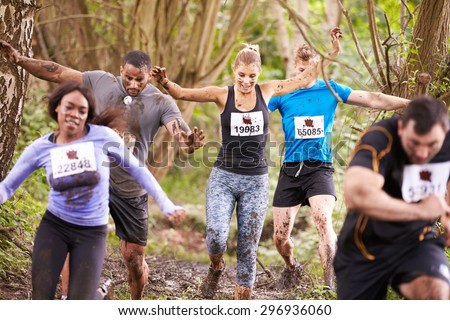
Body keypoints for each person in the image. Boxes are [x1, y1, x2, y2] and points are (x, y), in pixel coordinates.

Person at [0, 40, 204, 299]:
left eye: (139, 80)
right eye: (128, 77)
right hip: (91, 177)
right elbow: (57, 71)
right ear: (121, 70)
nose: (132, 84)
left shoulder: (161, 102)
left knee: (133, 256)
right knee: (69, 240)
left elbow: (180, 134)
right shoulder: (99, 81)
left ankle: (135, 301)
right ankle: (69, 299)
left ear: (149, 76)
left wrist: (189, 143)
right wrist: (20, 60)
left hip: (130, 187)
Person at [151, 42, 321, 300]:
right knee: (216, 237)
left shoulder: (267, 91)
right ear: (234, 72)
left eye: (252, 76)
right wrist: (165, 82)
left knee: (247, 246)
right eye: (242, 75)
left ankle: (243, 299)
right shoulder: (222, 95)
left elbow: (302, 79)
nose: (246, 81)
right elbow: (183, 93)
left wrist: (329, 54)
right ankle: (216, 267)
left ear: (259, 73)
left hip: (256, 181)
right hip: (224, 178)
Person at [268, 29, 411, 290]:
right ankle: (291, 267)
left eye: (309, 69)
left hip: (319, 168)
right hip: (290, 170)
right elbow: (254, 109)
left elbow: (371, 98)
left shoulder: (331, 90)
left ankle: (329, 284)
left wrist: (409, 103)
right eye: (299, 69)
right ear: (294, 68)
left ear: (318, 68)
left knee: (323, 220)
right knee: (280, 238)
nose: (304, 75)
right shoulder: (282, 93)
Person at [334, 96, 450, 299]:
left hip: (416, 243)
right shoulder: (380, 136)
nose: (422, 153)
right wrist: (422, 211)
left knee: (436, 293)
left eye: (432, 144)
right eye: (414, 143)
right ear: (401, 128)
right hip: (363, 248)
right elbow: (357, 195)